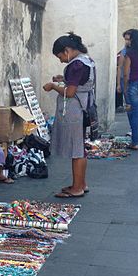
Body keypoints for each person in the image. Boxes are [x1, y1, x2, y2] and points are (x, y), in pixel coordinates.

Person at [43, 32, 96, 198]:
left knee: (76, 150)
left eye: (60, 56)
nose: (61, 60)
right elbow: (78, 83)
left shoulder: (76, 65)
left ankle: (77, 188)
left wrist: (53, 86)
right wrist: (63, 79)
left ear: (67, 50)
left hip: (75, 110)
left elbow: (71, 92)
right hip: (85, 106)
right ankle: (80, 184)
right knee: (80, 148)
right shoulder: (86, 60)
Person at [123, 28, 138, 149]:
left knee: (136, 114)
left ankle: (134, 143)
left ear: (133, 40)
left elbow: (126, 73)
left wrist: (125, 87)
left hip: (135, 84)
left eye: (128, 39)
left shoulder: (129, 53)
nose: (127, 42)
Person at [116, 30, 132, 123]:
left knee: (131, 106)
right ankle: (133, 128)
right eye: (125, 39)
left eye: (128, 39)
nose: (126, 41)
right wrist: (118, 84)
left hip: (133, 80)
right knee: (129, 106)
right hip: (125, 81)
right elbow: (119, 68)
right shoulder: (124, 51)